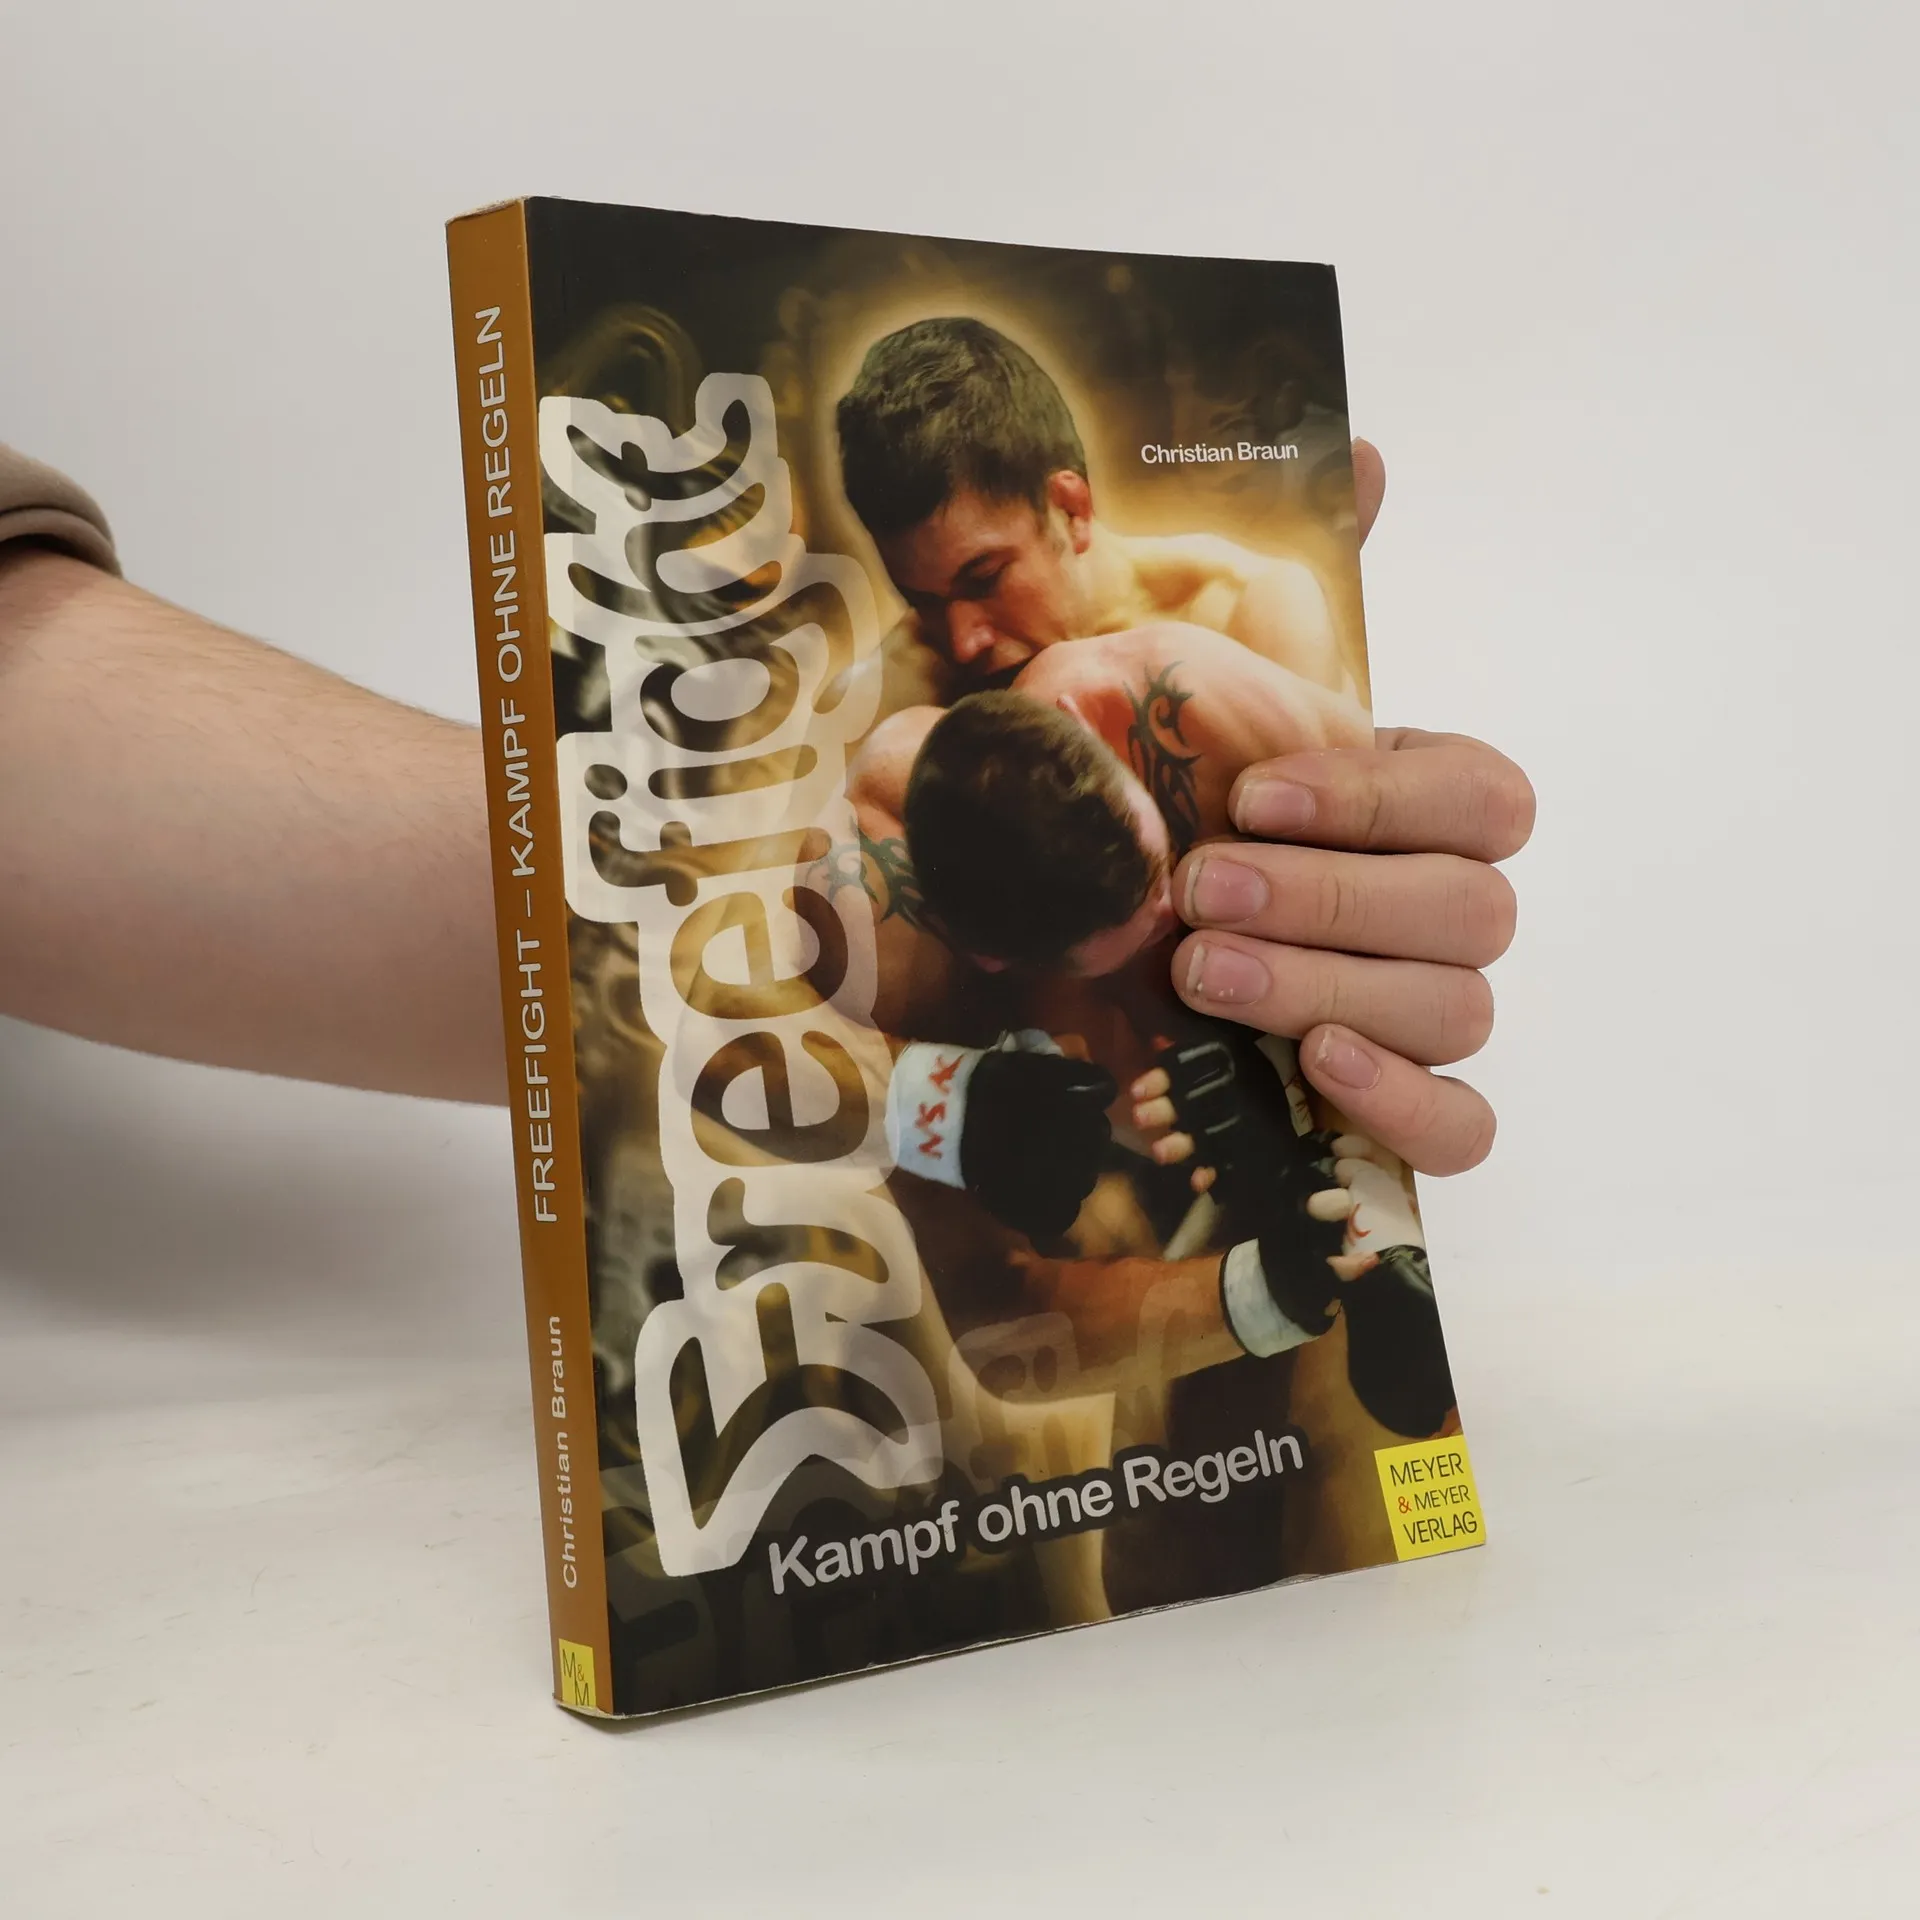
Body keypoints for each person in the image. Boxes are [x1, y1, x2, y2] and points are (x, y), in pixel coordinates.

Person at [0, 437, 1531, 1181]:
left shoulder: (1210, 656)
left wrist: (1335, 936)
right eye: (941, 597)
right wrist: (943, 1112)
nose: (975, 635)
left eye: (987, 576)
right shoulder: (857, 834)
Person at [837, 315, 1358, 696]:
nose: (962, 644)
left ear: (1071, 508)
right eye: (921, 600)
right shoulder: (897, 687)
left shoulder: (1249, 614)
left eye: (984, 579)